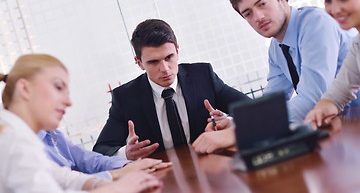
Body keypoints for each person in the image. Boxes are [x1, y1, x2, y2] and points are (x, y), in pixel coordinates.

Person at [0, 54, 162, 192]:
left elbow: (61, 176)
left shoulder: (19, 135)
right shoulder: (12, 140)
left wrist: (109, 180)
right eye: (58, 87)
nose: (69, 102)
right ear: (25, 88)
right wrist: (114, 188)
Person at [93, 19, 250, 160]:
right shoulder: (125, 98)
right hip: (163, 177)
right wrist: (126, 153)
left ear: (177, 51)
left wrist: (229, 124)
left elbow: (254, 112)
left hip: (210, 167)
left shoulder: (203, 76)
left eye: (169, 57)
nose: (165, 69)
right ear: (140, 63)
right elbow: (101, 150)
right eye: (153, 62)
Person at [227, 0, 359, 122]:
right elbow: (272, 101)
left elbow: (312, 100)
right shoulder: (277, 49)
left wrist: (248, 128)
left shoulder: (316, 24)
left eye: (262, 4)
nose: (258, 17)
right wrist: (235, 123)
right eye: (248, 13)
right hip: (339, 126)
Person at [305, 0, 360, 128]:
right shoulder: (358, 45)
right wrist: (320, 111)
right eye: (328, 0)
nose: (334, 9)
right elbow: (335, 97)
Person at [39, 129, 172, 180]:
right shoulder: (23, 146)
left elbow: (90, 160)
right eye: (58, 88)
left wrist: (127, 165)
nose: (68, 102)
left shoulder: (53, 134)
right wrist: (117, 174)